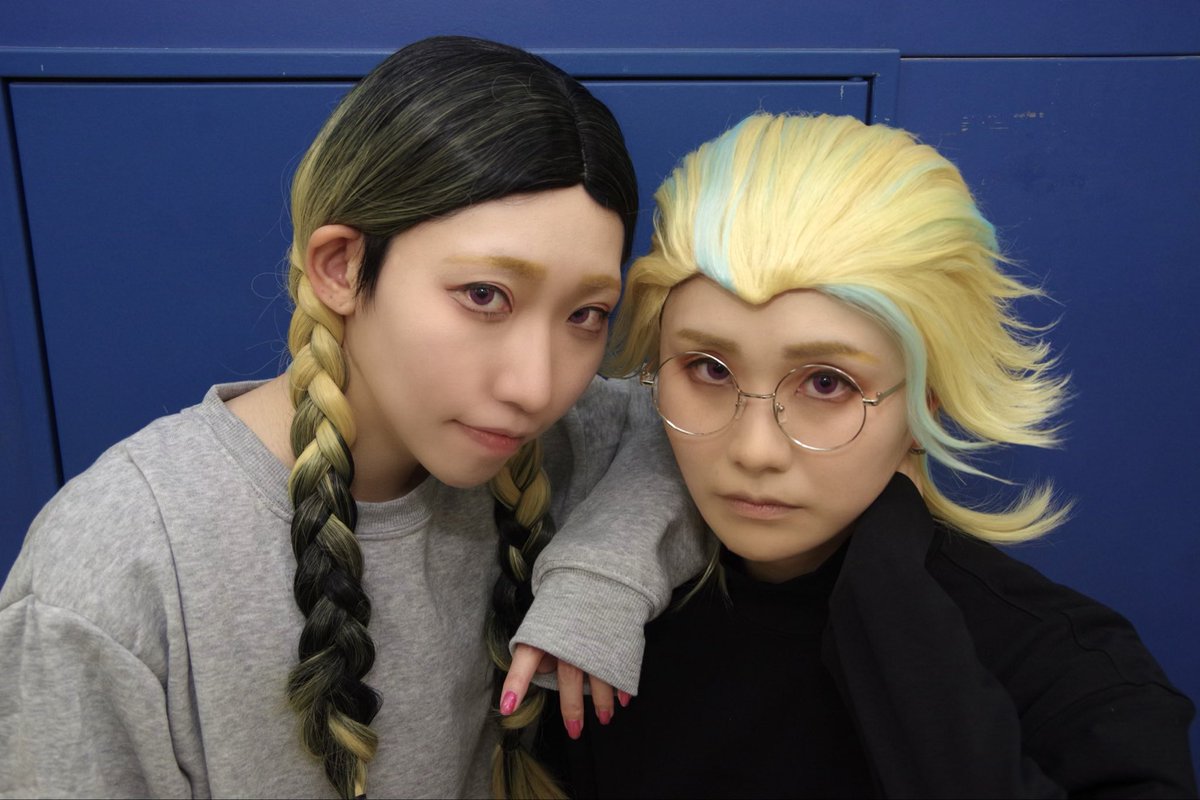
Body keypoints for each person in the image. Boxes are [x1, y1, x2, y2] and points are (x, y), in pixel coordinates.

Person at [0, 36, 705, 800]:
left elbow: (702, 433)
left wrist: (601, 579)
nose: (537, 388)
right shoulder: (119, 566)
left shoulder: (555, 447)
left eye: (586, 314)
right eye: (483, 295)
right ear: (340, 265)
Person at [539, 113, 1198, 797]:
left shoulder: (1072, 676)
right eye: (708, 368)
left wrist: (889, 591)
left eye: (828, 383)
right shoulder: (594, 627)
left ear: (927, 402)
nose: (755, 449)